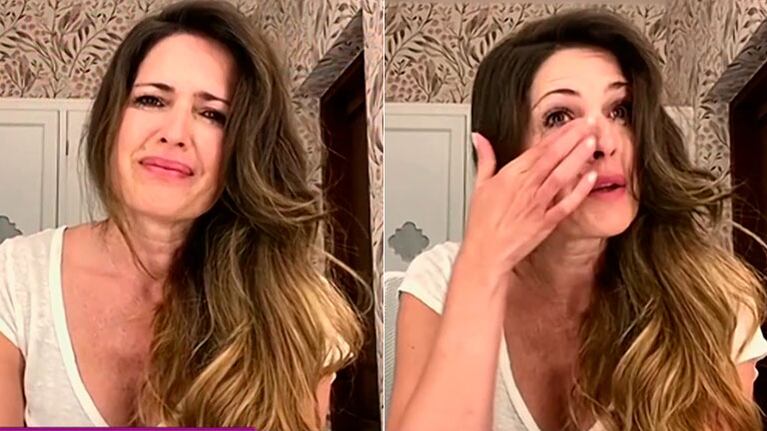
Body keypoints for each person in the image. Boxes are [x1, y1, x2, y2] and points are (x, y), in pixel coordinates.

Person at [388, 9, 767, 431]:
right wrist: (483, 265)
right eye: (559, 117)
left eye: (621, 111)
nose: (605, 143)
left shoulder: (713, 300)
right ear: (508, 153)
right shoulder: (440, 281)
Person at [0, 1, 363, 429]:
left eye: (212, 114)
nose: (174, 134)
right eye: (151, 100)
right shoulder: (15, 278)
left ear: (244, 149)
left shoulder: (298, 312)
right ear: (111, 120)